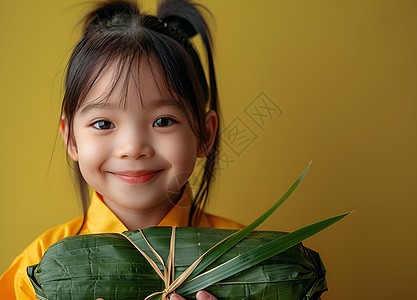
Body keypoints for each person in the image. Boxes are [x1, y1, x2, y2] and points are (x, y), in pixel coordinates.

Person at [0, 0, 243, 299]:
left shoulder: (251, 258)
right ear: (71, 139)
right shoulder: (35, 270)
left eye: (163, 120)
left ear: (205, 135)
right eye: (103, 123)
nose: (133, 148)